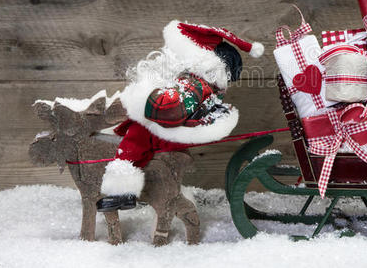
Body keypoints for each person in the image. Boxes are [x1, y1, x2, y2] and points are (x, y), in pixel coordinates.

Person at [96, 20, 263, 212]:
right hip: (182, 128)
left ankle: (122, 191)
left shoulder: (193, 85)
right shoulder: (202, 84)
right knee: (139, 131)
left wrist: (143, 95)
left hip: (174, 132)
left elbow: (167, 108)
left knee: (137, 134)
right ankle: (140, 185)